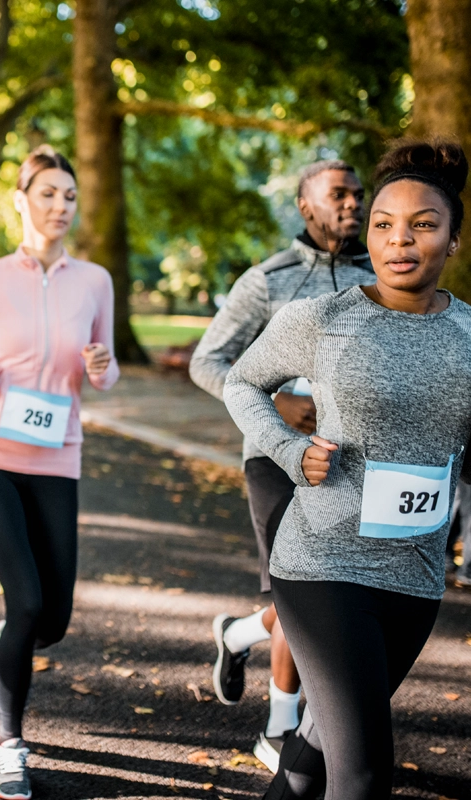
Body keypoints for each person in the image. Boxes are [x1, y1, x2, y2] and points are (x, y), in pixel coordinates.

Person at [223, 139, 469, 800]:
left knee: (314, 757)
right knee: (361, 777)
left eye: (423, 225)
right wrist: (286, 449)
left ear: (452, 241)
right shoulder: (322, 318)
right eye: (384, 224)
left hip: (415, 576)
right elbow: (241, 382)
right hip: (321, 563)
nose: (399, 240)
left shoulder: (470, 336)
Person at [0, 146, 119, 800]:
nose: (59, 207)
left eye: (69, 196)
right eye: (47, 194)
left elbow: (107, 366)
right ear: (20, 199)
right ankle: (9, 743)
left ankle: (18, 632)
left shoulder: (94, 281)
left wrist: (102, 368)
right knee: (25, 600)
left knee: (54, 619)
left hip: (58, 458)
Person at [189, 160, 373, 770]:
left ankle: (239, 635)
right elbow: (208, 360)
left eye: (357, 194)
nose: (352, 204)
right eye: (338, 194)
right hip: (273, 455)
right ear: (305, 204)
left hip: (354, 462)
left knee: (330, 589)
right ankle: (278, 729)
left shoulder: (382, 277)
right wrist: (276, 401)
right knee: (299, 593)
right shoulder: (269, 280)